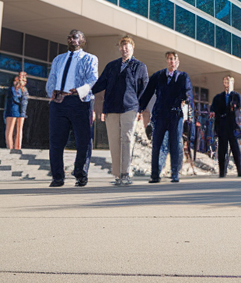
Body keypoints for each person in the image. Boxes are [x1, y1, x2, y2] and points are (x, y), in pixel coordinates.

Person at [91, 35, 148, 186]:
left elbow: (144, 90)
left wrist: (140, 109)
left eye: (127, 46)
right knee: (114, 141)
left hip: (130, 108)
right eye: (122, 46)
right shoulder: (111, 66)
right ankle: (117, 174)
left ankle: (126, 173)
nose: (124, 49)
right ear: (119, 48)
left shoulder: (140, 66)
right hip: (111, 108)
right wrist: (82, 91)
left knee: (127, 140)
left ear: (132, 48)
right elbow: (100, 83)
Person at [45, 30, 98, 188]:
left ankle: (80, 174)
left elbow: (93, 79)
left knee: (83, 141)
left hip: (79, 102)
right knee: (56, 141)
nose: (71, 39)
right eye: (69, 36)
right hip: (59, 102)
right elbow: (52, 78)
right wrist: (51, 92)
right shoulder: (58, 59)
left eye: (75, 36)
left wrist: (79, 90)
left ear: (82, 40)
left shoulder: (89, 58)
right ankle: (57, 177)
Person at [139, 51, 191, 184]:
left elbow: (188, 92)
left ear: (177, 62)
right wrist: (140, 108)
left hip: (175, 115)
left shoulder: (183, 76)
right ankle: (155, 175)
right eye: (169, 59)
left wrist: (185, 101)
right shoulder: (158, 76)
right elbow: (148, 92)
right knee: (157, 144)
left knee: (175, 144)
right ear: (166, 61)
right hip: (160, 114)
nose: (171, 61)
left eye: (173, 59)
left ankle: (175, 174)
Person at [209, 75, 241, 178]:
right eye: (225, 82)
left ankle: (240, 171)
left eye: (229, 82)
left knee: (236, 149)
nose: (227, 85)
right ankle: (222, 172)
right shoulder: (218, 97)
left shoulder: (237, 97)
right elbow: (213, 110)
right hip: (222, 126)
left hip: (233, 127)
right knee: (222, 150)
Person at [4, 71, 28, 150]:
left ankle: (18, 148)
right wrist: (17, 86)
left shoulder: (24, 90)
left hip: (21, 111)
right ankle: (10, 147)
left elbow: (24, 101)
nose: (22, 80)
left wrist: (22, 88)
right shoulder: (12, 88)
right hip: (12, 109)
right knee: (10, 129)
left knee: (19, 130)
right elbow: (13, 97)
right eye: (20, 78)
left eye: (24, 79)